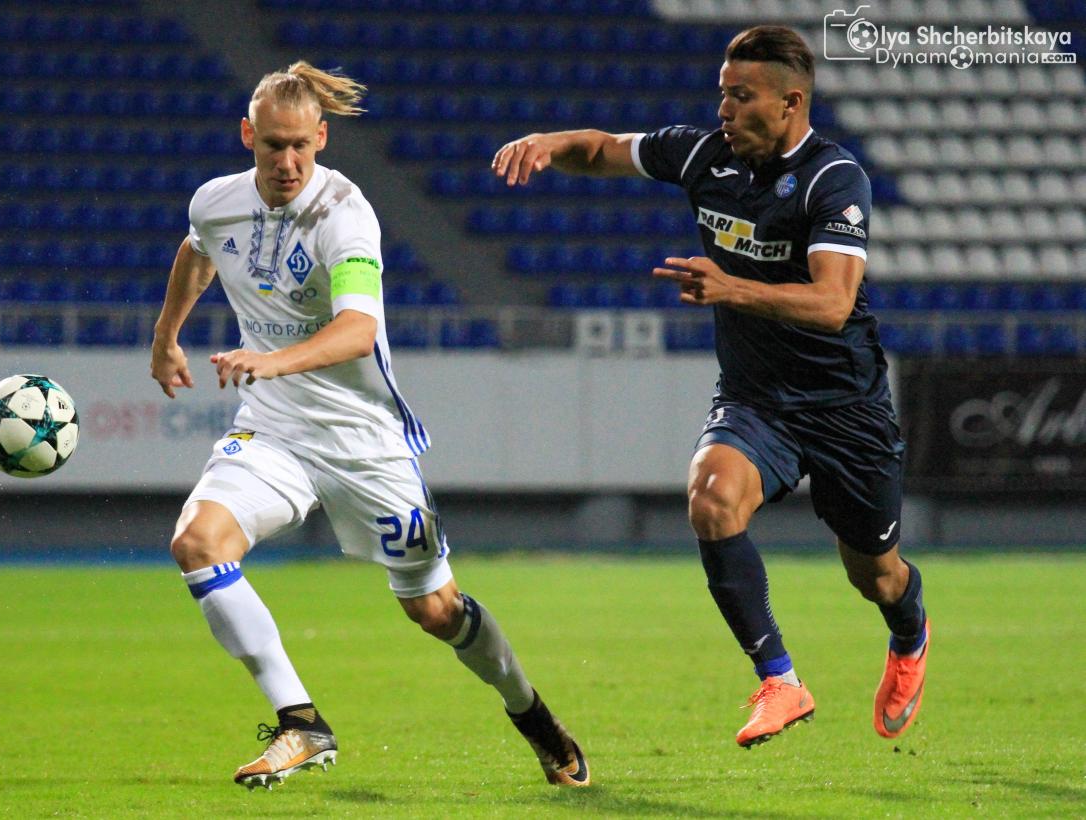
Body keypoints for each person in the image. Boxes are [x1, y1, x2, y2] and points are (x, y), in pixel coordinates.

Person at [151, 61, 588, 789]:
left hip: (363, 442)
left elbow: (358, 331)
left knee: (436, 610)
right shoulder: (216, 202)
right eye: (272, 145)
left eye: (300, 145)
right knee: (197, 543)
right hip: (274, 430)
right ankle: (300, 722)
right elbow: (198, 251)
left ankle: (532, 715)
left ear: (321, 138)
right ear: (248, 136)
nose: (287, 162)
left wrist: (270, 361)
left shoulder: (344, 214)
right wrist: (166, 337)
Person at [493, 26, 928, 748]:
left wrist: (732, 288)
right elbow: (603, 149)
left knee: (876, 576)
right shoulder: (704, 156)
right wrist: (547, 142)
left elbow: (833, 304)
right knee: (712, 498)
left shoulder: (833, 178)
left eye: (741, 95)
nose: (724, 108)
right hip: (757, 400)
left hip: (846, 408)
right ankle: (781, 681)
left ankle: (909, 633)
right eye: (723, 92)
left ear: (790, 103)